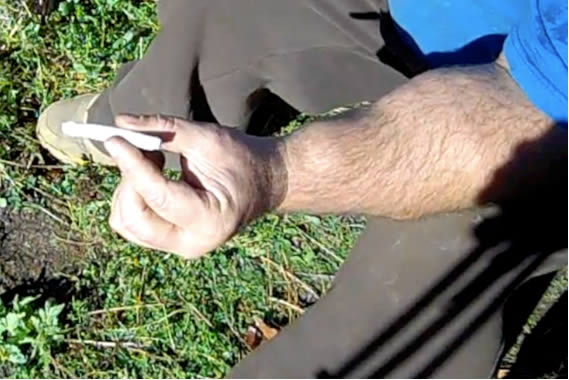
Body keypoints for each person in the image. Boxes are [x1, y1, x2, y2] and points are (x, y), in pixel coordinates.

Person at [36, 0, 567, 377]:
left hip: (530, 127)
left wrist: (276, 174)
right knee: (225, 10)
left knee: (390, 318)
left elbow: (515, 122)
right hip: (423, 21)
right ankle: (119, 126)